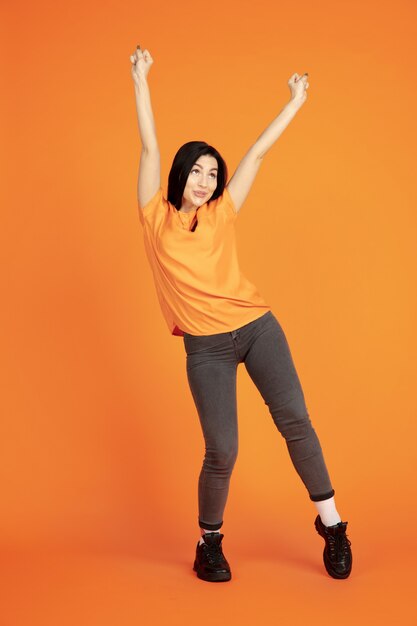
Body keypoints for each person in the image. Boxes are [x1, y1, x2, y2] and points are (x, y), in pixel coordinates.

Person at [130, 44, 352, 583]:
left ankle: (334, 526)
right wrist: (141, 78)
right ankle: (209, 543)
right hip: (204, 346)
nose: (205, 181)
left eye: (212, 173)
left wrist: (294, 103)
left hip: (255, 328)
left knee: (295, 419)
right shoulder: (153, 216)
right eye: (197, 172)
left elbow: (254, 154)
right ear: (180, 175)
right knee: (222, 449)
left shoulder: (223, 213)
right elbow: (149, 145)